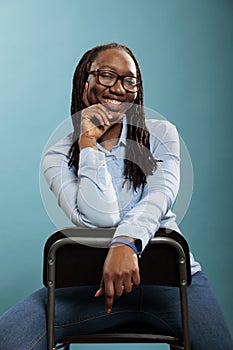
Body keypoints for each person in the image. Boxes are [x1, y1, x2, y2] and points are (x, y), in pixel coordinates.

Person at [0, 42, 232, 350]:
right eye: (107, 75)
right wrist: (88, 144)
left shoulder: (162, 134)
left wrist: (126, 243)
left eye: (129, 80)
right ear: (85, 80)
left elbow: (160, 196)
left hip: (170, 285)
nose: (119, 88)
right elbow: (101, 217)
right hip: (89, 290)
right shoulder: (57, 155)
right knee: (10, 336)